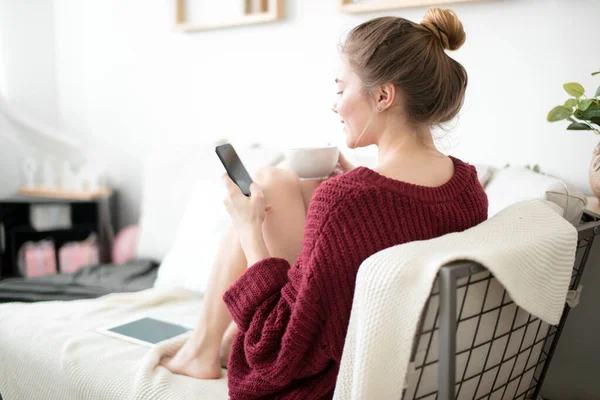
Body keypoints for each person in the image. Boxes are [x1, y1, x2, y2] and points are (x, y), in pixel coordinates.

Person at [163, 7, 488, 399]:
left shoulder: (348, 200)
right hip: (410, 364)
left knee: (263, 190)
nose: (335, 105)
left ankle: (200, 348)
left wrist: (249, 228)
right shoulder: (466, 185)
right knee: (275, 180)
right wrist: (354, 184)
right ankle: (203, 347)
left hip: (330, 380)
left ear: (384, 95)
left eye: (340, 89)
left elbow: (274, 353)